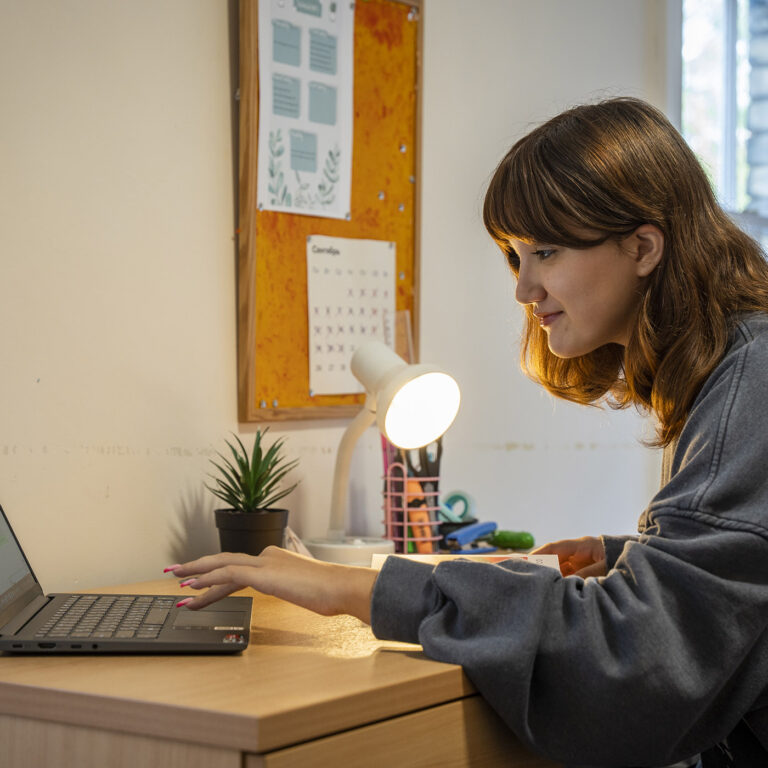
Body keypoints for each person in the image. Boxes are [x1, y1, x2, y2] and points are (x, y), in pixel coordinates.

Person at [166, 98, 768, 768]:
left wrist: (354, 590)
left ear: (643, 246)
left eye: (546, 251)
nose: (525, 288)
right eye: (515, 256)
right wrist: (632, 556)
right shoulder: (736, 363)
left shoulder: (752, 377)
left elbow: (635, 664)